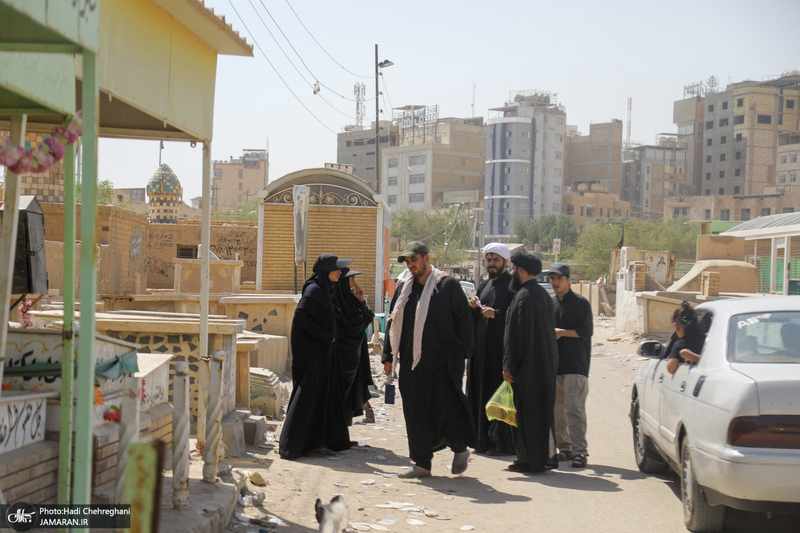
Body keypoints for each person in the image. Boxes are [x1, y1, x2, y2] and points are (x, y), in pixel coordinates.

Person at [382, 241, 476, 478]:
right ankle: (422, 463)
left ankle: (459, 448)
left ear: (426, 258)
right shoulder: (404, 289)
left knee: (448, 409)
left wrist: (464, 355)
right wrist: (388, 356)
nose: (411, 265)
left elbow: (464, 321)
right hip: (412, 364)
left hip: (445, 363)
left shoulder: (447, 286)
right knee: (416, 412)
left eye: (414, 260)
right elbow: (393, 322)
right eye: (407, 262)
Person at [279, 253, 353, 459]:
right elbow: (301, 318)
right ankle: (293, 445)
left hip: (321, 354)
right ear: (325, 271)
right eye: (336, 269)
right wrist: (325, 336)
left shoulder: (324, 291)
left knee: (320, 399)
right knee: (307, 398)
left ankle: (315, 443)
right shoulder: (313, 291)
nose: (340, 273)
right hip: (311, 355)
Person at [503, 249, 559, 473]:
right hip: (543, 365)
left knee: (529, 415)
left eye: (513, 269)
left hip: (528, 368)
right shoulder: (543, 295)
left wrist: (509, 365)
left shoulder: (525, 296)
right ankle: (530, 459)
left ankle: (533, 462)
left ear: (522, 271)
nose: (511, 272)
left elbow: (517, 335)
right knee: (536, 414)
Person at [466, 242, 516, 456]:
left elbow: (515, 316)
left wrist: (497, 313)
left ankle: (500, 444)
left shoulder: (512, 286)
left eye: (496, 260)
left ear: (505, 262)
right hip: (480, 351)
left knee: (497, 395)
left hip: (498, 353)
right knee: (478, 392)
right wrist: (474, 307)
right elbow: (477, 316)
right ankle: (481, 439)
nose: (491, 264)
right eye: (489, 260)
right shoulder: (485, 285)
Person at [548, 262, 593, 469]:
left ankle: (580, 452)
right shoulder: (551, 303)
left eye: (559, 278)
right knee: (558, 411)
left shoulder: (581, 303)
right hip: (556, 366)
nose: (555, 282)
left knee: (575, 411)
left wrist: (562, 332)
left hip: (576, 366)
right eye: (552, 278)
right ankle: (564, 449)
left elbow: (586, 331)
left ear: (568, 280)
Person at [333, 267, 376, 425]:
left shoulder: (350, 300)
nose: (355, 283)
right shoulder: (338, 303)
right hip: (344, 358)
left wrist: (361, 300)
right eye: (352, 279)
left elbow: (366, 319)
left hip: (355, 355)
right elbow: (358, 322)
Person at [666, 302, 705, 375]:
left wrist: (690, 356)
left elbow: (671, 369)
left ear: (676, 325)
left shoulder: (680, 344)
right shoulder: (706, 340)